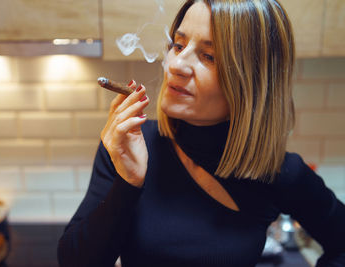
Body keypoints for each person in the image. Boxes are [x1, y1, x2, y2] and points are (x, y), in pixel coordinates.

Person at [57, 0, 345, 266]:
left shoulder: (280, 172)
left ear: (252, 82)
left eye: (209, 56)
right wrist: (128, 181)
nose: (176, 65)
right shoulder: (131, 143)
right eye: (179, 45)